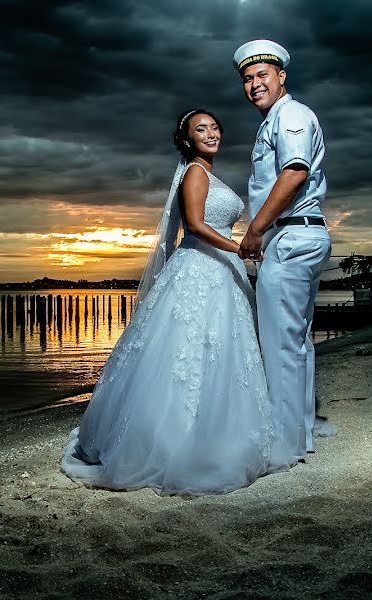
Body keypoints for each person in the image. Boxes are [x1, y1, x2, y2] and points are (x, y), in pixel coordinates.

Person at [60, 109, 291, 495]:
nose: (212, 133)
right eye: (201, 129)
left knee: (216, 353)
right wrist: (240, 248)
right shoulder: (195, 174)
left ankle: (212, 431)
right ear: (186, 140)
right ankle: (173, 441)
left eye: (215, 127)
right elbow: (197, 226)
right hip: (201, 268)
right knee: (188, 353)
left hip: (219, 272)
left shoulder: (206, 173)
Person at [233, 40, 333, 463]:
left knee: (279, 345)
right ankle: (300, 432)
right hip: (297, 237)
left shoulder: (290, 114)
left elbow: (294, 172)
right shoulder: (274, 118)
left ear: (282, 77)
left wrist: (255, 231)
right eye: (248, 78)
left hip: (290, 238)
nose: (255, 84)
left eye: (262, 76)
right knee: (297, 343)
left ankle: (285, 448)